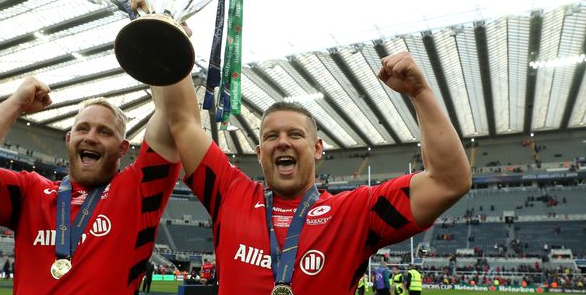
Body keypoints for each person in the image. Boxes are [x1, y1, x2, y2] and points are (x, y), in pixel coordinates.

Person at [162, 52, 472, 294]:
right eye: (271, 137)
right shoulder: (230, 194)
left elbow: (448, 181)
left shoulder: (354, 213)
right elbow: (184, 122)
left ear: (318, 149)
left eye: (295, 135)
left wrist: (420, 93)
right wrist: (169, 44)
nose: (282, 141)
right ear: (259, 154)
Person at [0, 77, 182, 294]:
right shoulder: (30, 190)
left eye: (104, 132)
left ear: (122, 149)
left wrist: (164, 50)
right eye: (82, 128)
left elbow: (172, 117)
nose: (90, 137)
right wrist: (15, 105)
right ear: (68, 139)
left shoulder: (138, 191)